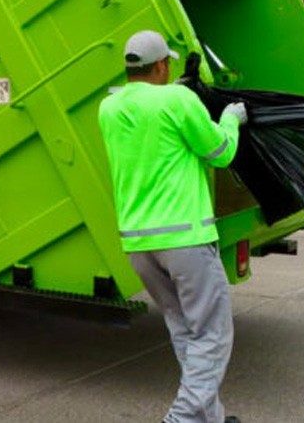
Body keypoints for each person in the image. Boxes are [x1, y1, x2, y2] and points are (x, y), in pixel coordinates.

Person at [97, 30, 247, 423]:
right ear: (162, 65)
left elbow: (149, 120)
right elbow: (220, 152)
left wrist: (180, 95)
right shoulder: (179, 101)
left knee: (184, 330)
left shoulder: (108, 108)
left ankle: (209, 418)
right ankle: (181, 420)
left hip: (139, 245)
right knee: (212, 335)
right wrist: (230, 119)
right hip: (185, 241)